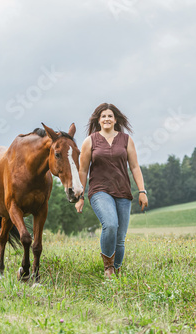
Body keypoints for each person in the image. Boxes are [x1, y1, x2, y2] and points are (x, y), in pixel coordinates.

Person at [76, 102, 148, 278]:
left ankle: (117, 271)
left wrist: (142, 191)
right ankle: (108, 268)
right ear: (98, 120)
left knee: (120, 237)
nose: (106, 119)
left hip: (123, 191)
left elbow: (135, 167)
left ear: (115, 120)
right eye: (103, 116)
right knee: (110, 225)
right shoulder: (90, 141)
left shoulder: (126, 140)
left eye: (110, 116)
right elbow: (83, 170)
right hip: (99, 190)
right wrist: (80, 196)